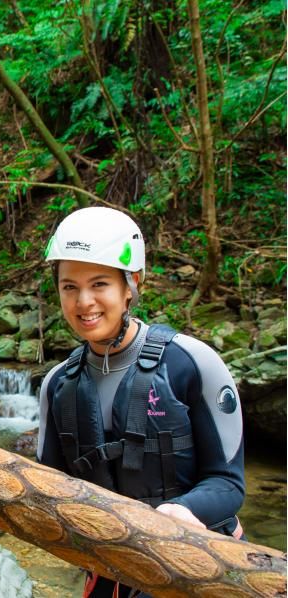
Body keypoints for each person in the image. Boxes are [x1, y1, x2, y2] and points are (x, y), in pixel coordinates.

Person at [37, 206, 245, 598]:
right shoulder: (56, 385)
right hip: (110, 572)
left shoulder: (191, 363)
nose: (84, 302)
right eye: (69, 287)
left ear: (131, 285)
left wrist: (180, 512)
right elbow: (51, 489)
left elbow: (228, 483)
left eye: (99, 284)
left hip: (201, 561)